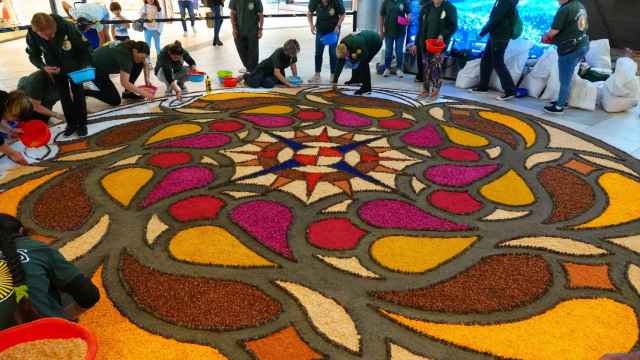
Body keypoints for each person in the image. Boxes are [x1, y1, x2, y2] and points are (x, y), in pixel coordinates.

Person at [0, 214, 100, 330]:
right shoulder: (32, 247)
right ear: (21, 231)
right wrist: (66, 317)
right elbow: (88, 294)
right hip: (53, 340)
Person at [26, 13, 91, 137]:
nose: (48, 37)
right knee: (64, 96)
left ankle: (82, 124)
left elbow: (84, 48)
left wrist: (85, 65)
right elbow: (33, 55)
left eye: (51, 34)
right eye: (43, 35)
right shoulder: (32, 34)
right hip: (55, 69)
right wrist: (43, 66)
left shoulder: (67, 26)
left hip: (75, 66)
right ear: (36, 30)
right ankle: (71, 124)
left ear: (54, 26)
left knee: (79, 94)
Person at [543, 0, 589, 115]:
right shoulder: (579, 5)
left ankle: (559, 107)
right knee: (568, 75)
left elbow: (554, 31)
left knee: (564, 80)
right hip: (582, 45)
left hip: (569, 49)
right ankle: (563, 100)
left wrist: (545, 36)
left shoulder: (565, 9)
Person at [470, 0, 519, 101]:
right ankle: (482, 87)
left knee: (498, 63)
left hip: (500, 36)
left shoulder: (505, 2)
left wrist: (482, 33)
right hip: (495, 35)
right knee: (486, 60)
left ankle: (510, 90)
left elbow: (495, 19)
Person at [411, 0, 457, 98]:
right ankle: (425, 89)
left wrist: (442, 35)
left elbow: (453, 26)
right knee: (426, 67)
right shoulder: (426, 8)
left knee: (436, 66)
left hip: (439, 44)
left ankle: (436, 89)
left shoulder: (450, 8)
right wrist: (416, 43)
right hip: (425, 43)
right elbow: (420, 27)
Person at [87, 40, 153, 106]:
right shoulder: (125, 56)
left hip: (101, 62)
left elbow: (145, 63)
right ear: (135, 51)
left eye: (144, 58)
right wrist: (144, 93)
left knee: (139, 64)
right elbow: (124, 83)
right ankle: (85, 91)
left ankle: (128, 93)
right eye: (141, 57)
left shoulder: (132, 46)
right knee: (115, 100)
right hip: (94, 69)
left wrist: (147, 79)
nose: (143, 59)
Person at [333, 30, 383, 95]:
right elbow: (340, 63)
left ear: (347, 51)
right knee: (353, 58)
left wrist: (356, 57)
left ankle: (366, 88)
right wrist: (335, 81)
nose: (345, 58)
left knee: (363, 63)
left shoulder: (357, 45)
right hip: (363, 41)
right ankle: (355, 79)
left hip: (375, 41)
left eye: (345, 56)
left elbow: (365, 55)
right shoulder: (342, 47)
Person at [307, 0, 346, 84]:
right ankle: (317, 74)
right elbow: (309, 13)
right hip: (320, 30)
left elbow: (343, 14)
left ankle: (333, 74)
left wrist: (338, 26)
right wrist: (311, 25)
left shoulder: (336, 1)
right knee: (318, 52)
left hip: (333, 31)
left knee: (332, 52)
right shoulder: (314, 1)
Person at [229, 0, 264, 73]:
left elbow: (260, 15)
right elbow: (232, 13)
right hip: (239, 30)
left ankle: (253, 70)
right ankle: (249, 68)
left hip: (252, 30)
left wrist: (260, 29)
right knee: (241, 50)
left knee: (253, 52)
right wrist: (234, 28)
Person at [379, 0, 410, 78]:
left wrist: (408, 19)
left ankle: (399, 69)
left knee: (399, 51)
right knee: (388, 51)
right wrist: (381, 31)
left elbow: (409, 13)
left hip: (400, 32)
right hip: (388, 31)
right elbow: (381, 16)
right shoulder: (386, 2)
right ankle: (387, 68)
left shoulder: (404, 2)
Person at [0, 90, 31, 165]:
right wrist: (12, 153)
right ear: (13, 114)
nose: (15, 122)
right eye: (16, 119)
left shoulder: (6, 100)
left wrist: (10, 130)